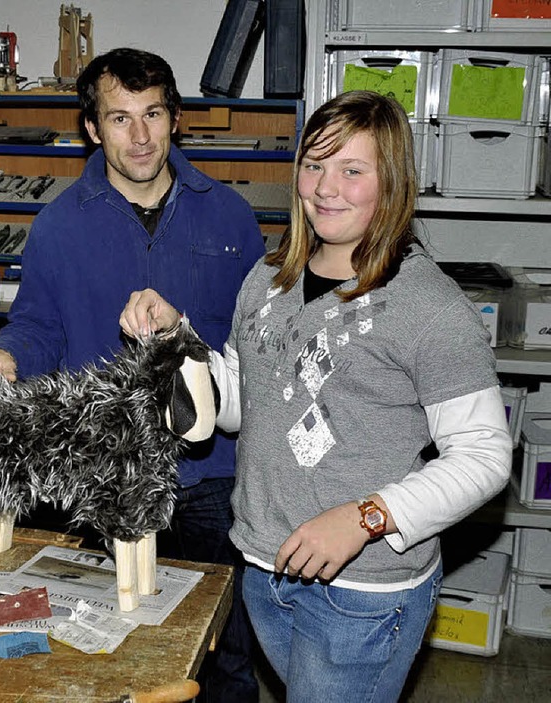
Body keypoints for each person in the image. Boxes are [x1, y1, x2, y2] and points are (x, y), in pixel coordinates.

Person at [120, 90, 513, 702]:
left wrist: (365, 518)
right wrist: (176, 339)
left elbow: (486, 456)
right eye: (314, 165)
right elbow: (244, 404)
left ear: (392, 182)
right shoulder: (269, 278)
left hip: (363, 591)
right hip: (264, 564)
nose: (326, 187)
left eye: (352, 171)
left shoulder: (428, 308)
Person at [0, 48, 265, 703]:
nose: (140, 136)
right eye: (120, 118)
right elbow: (40, 323)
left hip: (211, 473)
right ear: (92, 129)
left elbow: (257, 344)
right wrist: (7, 353)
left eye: (153, 114)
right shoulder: (59, 225)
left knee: (223, 653)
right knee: (110, 645)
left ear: (176, 117)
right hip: (109, 473)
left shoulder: (231, 218)